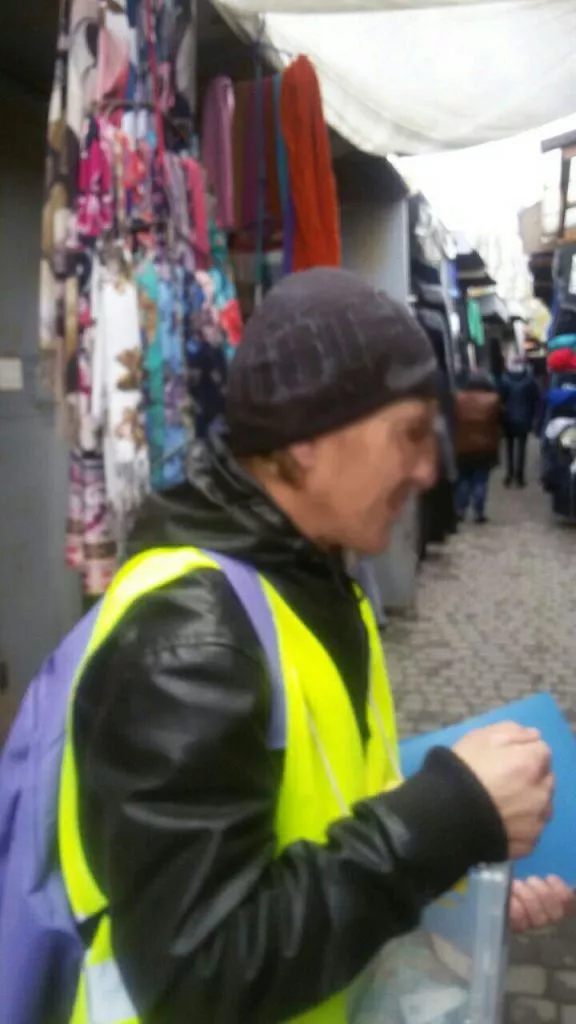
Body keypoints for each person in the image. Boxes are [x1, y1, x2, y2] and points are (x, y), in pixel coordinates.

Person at [62, 269, 570, 1023]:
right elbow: (196, 974)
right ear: (304, 440)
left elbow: (328, 818)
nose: (428, 469)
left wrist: (462, 860)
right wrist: (450, 815)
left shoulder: (322, 579)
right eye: (407, 434)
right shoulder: (188, 637)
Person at [454, 368, 501, 524]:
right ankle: (479, 513)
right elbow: (499, 422)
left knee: (464, 479)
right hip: (485, 447)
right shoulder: (494, 399)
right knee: (481, 480)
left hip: (462, 446)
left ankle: (460, 510)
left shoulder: (458, 399)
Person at [500, 354, 541, 487]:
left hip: (508, 419)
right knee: (522, 448)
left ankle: (509, 474)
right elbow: (536, 399)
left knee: (509, 448)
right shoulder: (530, 380)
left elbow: (500, 399)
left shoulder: (504, 380)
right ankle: (520, 477)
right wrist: (534, 416)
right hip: (524, 418)